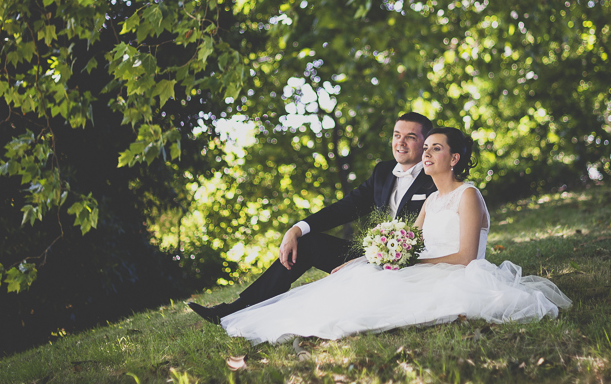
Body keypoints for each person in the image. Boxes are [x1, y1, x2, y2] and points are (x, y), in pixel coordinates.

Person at [219, 127, 572, 344]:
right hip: (422, 266)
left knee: (371, 303)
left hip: (456, 274)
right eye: (427, 147)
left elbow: (467, 258)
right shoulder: (432, 200)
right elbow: (406, 244)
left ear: (455, 158)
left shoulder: (469, 195)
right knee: (353, 282)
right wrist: (363, 261)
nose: (427, 153)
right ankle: (248, 308)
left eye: (436, 148)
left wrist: (412, 263)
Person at [189, 112, 438, 324]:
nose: (401, 143)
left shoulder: (436, 177)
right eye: (397, 135)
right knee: (307, 243)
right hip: (374, 255)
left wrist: (364, 260)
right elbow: (346, 207)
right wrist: (297, 229)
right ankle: (236, 308)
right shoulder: (383, 171)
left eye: (411, 137)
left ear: (425, 143)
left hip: (411, 265)